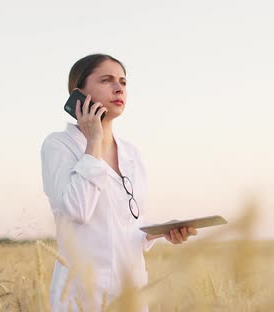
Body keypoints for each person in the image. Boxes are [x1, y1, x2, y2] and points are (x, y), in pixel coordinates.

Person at [40, 54, 198, 311]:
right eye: (106, 80)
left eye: (123, 82)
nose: (119, 88)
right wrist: (93, 143)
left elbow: (128, 226)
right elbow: (77, 212)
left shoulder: (132, 153)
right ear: (79, 93)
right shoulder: (59, 145)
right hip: (80, 298)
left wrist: (160, 230)